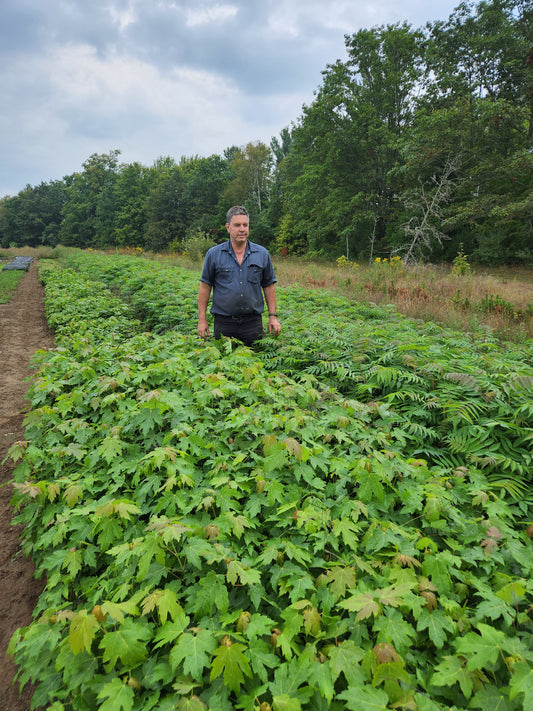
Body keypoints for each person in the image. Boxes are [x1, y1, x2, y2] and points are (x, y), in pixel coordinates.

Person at [197, 206, 281, 346]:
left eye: (245, 225)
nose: (242, 229)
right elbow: (205, 287)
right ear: (228, 227)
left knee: (254, 364)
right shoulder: (214, 254)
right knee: (224, 365)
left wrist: (273, 317)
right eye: (237, 225)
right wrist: (202, 319)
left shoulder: (262, 254)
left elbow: (269, 286)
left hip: (252, 324)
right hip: (224, 323)